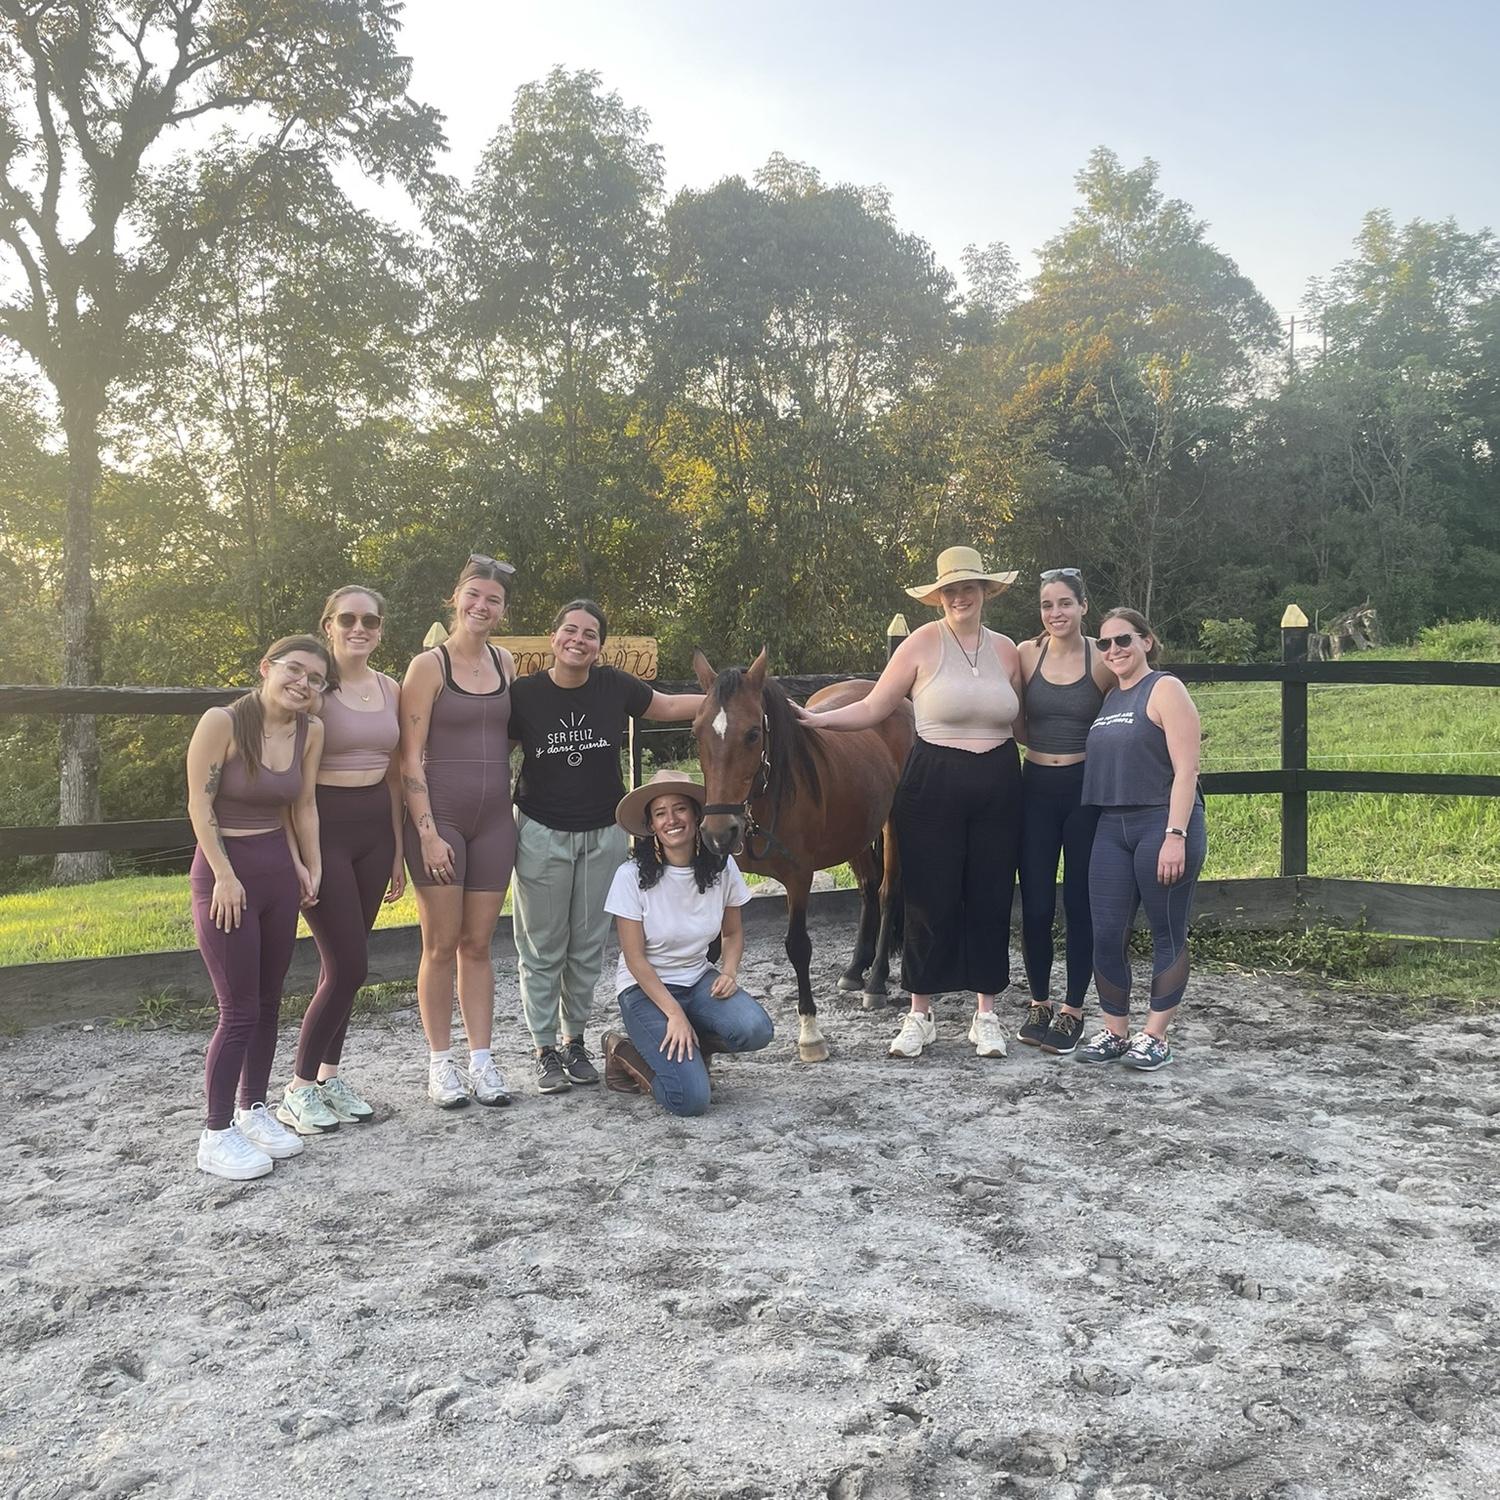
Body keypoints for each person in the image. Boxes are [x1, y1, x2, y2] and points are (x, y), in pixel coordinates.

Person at [795, 545, 1026, 1060]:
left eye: (969, 587)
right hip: (933, 777)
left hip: (998, 779)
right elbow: (876, 705)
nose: (960, 596)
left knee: (989, 894)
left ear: (985, 591)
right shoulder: (921, 645)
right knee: (926, 895)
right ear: (938, 597)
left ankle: (985, 1015)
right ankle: (920, 1012)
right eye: (950, 589)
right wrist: (817, 721)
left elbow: (1027, 721)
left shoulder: (1009, 651)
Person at [508, 600, 705, 1096]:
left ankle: (574, 1040)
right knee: (542, 944)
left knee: (588, 943)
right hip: (540, 829)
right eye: (569, 630)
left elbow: (667, 706)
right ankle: (543, 1047)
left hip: (603, 831)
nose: (578, 639)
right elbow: (484, 749)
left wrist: (738, 697)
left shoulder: (614, 685)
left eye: (590, 633)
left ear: (600, 645)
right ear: (554, 639)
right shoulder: (524, 695)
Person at [184, 635, 330, 1180]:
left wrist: (307, 867)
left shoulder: (310, 730)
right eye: (295, 670)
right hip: (227, 876)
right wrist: (223, 874)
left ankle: (253, 1110)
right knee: (238, 1008)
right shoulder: (222, 721)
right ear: (267, 668)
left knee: (270, 1002)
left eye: (315, 678)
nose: (304, 683)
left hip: (277, 872)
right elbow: (200, 803)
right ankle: (216, 1132)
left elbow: (304, 804)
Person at [278, 586, 404, 1135]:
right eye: (348, 618)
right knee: (349, 964)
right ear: (328, 624)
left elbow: (398, 773)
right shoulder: (312, 692)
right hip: (323, 827)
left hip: (376, 826)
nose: (360, 628)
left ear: (380, 629)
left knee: (344, 968)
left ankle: (329, 1078)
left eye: (370, 620)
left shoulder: (392, 688)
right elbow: (286, 783)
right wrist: (299, 858)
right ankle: (298, 1089)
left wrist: (398, 848)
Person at [400, 556, 518, 1110]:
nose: (481, 606)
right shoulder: (429, 667)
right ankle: (440, 1063)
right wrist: (425, 833)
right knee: (440, 945)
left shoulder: (507, 663)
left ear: (502, 610)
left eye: (492, 599)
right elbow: (408, 759)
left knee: (478, 945)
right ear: (456, 598)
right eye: (473, 595)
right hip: (440, 820)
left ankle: (482, 1060)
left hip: (495, 820)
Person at [600, 770, 774, 1115]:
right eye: (660, 813)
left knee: (756, 1030)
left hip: (697, 979)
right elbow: (635, 959)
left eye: (679, 808)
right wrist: (674, 1013)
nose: (672, 820)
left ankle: (690, 1047)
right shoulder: (630, 877)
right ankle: (623, 1051)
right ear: (651, 825)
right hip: (645, 989)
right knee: (690, 1100)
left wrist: (729, 970)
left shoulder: (722, 869)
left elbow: (733, 933)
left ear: (696, 815)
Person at [1077, 609, 1206, 1071]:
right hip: (1112, 826)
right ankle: (1115, 1030)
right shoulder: (1110, 698)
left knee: (1166, 929)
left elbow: (1187, 769)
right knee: (1107, 932)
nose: (1114, 650)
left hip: (1161, 822)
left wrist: (1176, 834)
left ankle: (1155, 1035)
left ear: (1147, 641)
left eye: (1124, 640)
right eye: (1106, 643)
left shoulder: (1165, 689)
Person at [1015, 569, 1112, 1056]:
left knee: (1078, 902)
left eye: (1065, 603)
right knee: (1034, 903)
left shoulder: (1102, 658)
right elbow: (1013, 716)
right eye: (1048, 605)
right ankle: (1039, 1002)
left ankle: (1073, 1009)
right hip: (1034, 787)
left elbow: (1135, 701)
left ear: (1083, 606)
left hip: (1083, 791)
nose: (1056, 613)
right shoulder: (1025, 654)